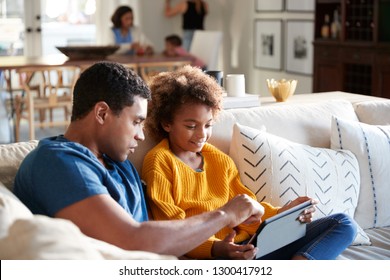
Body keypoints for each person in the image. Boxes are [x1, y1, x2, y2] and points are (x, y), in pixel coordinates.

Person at [12, 61, 264, 257]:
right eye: (136, 122)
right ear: (102, 113)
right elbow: (132, 240)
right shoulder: (59, 162)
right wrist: (224, 215)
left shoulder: (119, 165)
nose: (142, 136)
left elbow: (164, 233)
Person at [142, 65, 358, 260]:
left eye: (208, 125)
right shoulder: (159, 162)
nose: (202, 134)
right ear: (166, 123)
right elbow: (174, 232)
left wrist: (285, 212)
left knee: (344, 224)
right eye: (191, 126)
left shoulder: (219, 160)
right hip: (217, 253)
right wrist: (217, 249)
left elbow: (250, 213)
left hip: (251, 245)